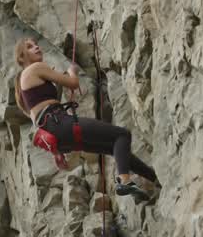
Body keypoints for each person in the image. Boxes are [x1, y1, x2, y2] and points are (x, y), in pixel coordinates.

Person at [12, 37, 160, 201]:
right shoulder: (35, 68)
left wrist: (57, 150)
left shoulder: (24, 86)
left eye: (35, 45)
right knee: (122, 135)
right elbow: (73, 83)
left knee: (114, 147)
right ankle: (125, 181)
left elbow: (41, 117)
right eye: (29, 47)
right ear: (21, 57)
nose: (36, 47)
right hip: (61, 124)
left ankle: (153, 178)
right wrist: (72, 72)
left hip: (58, 135)